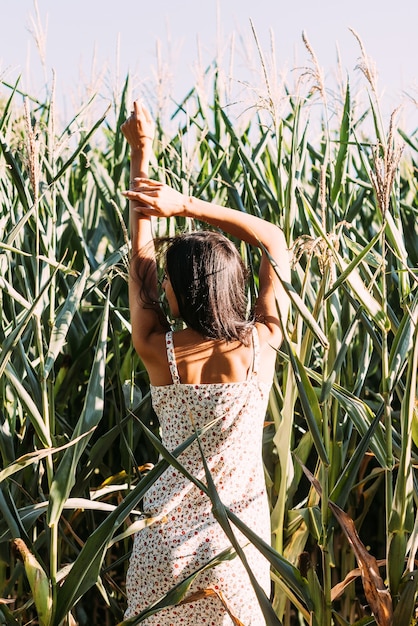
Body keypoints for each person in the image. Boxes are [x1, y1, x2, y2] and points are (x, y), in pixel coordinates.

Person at [120, 100, 291, 625]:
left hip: (163, 547)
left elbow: (141, 262)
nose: (163, 284)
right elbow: (274, 240)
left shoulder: (159, 349)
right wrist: (186, 204)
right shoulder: (262, 345)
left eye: (171, 278)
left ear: (183, 288)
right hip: (234, 553)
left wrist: (141, 156)